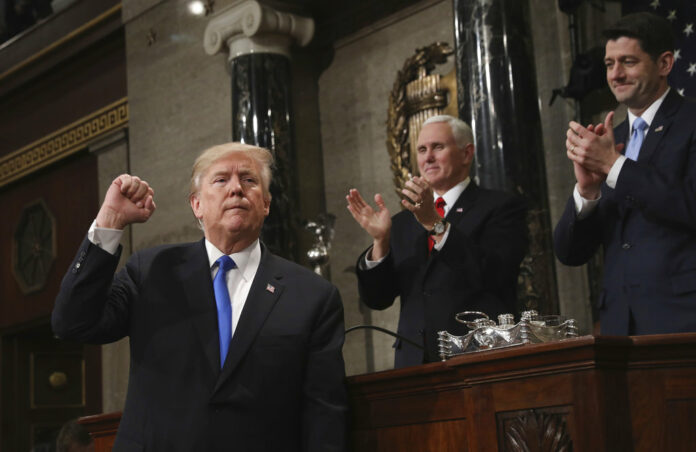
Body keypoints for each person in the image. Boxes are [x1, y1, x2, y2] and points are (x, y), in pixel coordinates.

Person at [52, 143, 347, 451]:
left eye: (249, 180)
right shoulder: (152, 270)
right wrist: (110, 220)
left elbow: (323, 415)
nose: (236, 188)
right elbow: (72, 323)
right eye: (221, 180)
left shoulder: (312, 296)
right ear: (196, 205)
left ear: (266, 204)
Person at [347, 115, 528, 368]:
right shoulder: (402, 222)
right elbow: (378, 299)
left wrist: (435, 223)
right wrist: (380, 242)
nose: (427, 157)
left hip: (479, 359)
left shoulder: (501, 207)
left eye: (438, 147)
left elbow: (495, 273)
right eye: (422, 149)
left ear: (466, 153)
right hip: (414, 364)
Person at [554, 12, 696, 335]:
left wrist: (614, 167)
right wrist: (587, 192)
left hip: (684, 323)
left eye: (628, 62)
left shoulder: (690, 121)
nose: (615, 75)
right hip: (620, 330)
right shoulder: (610, 140)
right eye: (608, 64)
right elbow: (569, 253)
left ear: (664, 64)